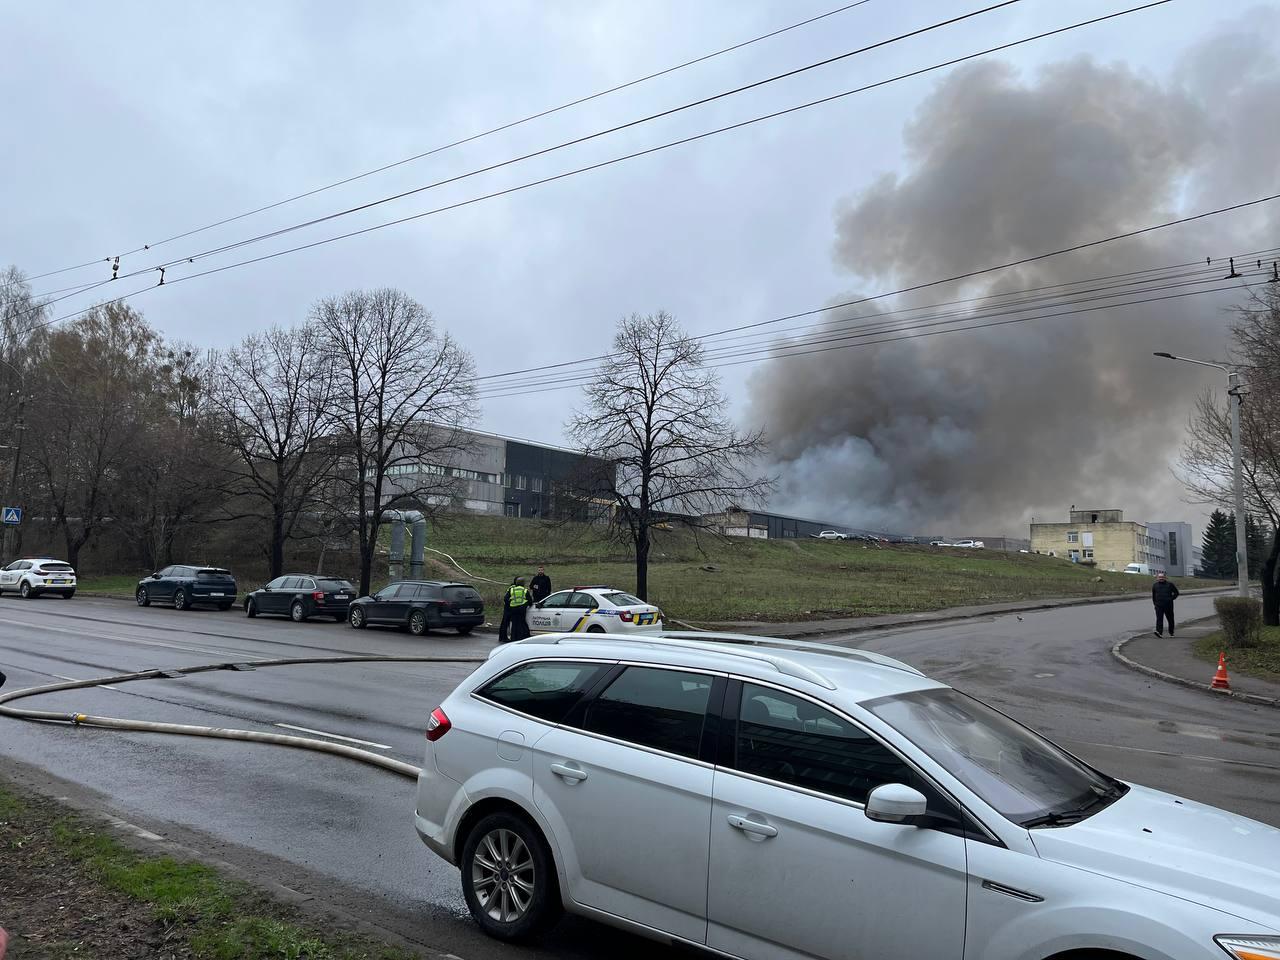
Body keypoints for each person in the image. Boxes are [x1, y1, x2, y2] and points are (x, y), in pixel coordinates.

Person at [505, 576, 532, 643]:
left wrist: (510, 605)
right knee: (522, 623)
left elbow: (506, 598)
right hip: (522, 609)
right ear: (523, 583)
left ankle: (514, 638)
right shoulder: (525, 590)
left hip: (513, 609)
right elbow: (530, 601)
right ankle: (524, 637)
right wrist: (527, 604)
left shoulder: (512, 590)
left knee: (514, 624)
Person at [1152, 571, 1180, 637]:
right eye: (1159, 577)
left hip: (1168, 605)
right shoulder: (1155, 585)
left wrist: (1171, 599)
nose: (1161, 578)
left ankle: (1171, 632)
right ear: (1157, 578)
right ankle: (1159, 632)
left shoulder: (1170, 584)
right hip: (1159, 605)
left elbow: (1176, 593)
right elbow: (1153, 596)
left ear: (1165, 578)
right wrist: (1155, 604)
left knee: (1170, 619)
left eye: (1162, 577)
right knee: (1159, 619)